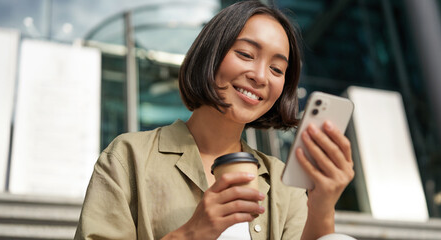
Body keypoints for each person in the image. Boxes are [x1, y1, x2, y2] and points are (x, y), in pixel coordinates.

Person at [74, 1, 355, 239]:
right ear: (211, 54)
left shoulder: (284, 184)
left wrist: (322, 207)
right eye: (245, 54)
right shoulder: (128, 157)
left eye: (277, 69)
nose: (260, 76)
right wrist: (191, 233)